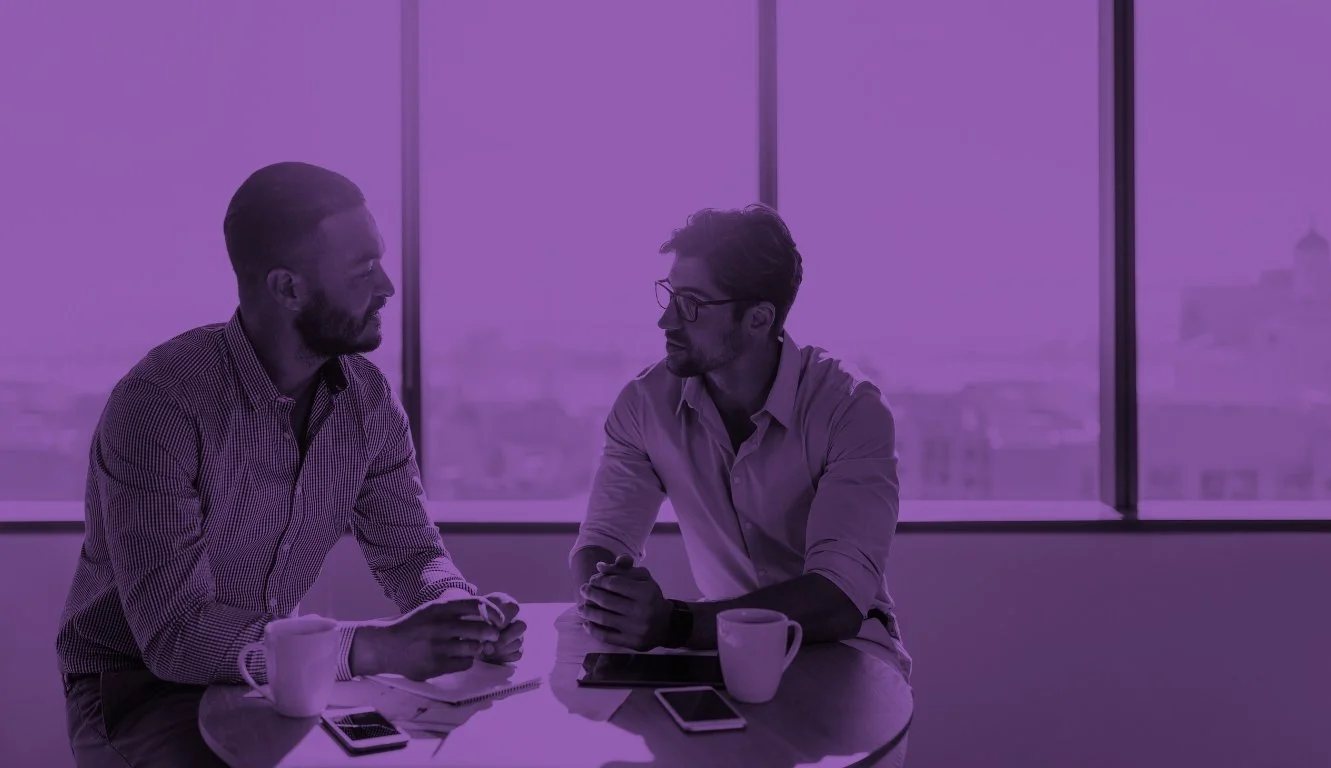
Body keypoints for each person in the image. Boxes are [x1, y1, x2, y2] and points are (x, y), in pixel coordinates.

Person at [55, 161, 525, 767]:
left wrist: (460, 612)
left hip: (281, 674)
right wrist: (374, 648)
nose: (387, 286)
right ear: (288, 289)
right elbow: (174, 636)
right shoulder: (161, 405)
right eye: (363, 270)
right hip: (138, 689)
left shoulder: (368, 401)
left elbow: (411, 553)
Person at [569, 204, 913, 682]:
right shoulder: (644, 404)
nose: (666, 320)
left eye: (691, 303)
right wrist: (612, 599)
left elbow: (837, 597)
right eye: (670, 295)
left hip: (844, 649)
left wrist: (675, 623)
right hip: (719, 647)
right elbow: (602, 541)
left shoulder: (850, 408)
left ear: (758, 318)